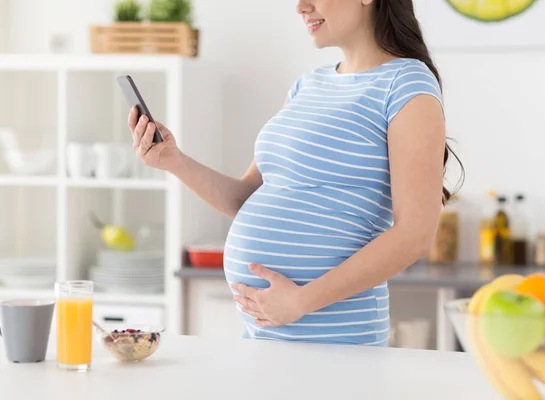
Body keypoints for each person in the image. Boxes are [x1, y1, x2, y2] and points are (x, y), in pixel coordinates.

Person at [128, 0, 464, 347]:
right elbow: (245, 199)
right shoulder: (308, 85)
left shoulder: (406, 83)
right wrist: (174, 160)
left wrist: (300, 301)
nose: (301, 7)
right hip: (265, 333)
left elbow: (415, 234)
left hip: (336, 341)